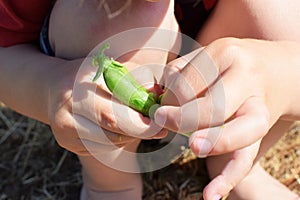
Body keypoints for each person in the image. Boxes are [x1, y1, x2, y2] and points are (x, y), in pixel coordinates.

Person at [154, 0, 300, 200]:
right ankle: (109, 182)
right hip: (124, 36)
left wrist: (280, 70)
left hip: (219, 36)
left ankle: (232, 154)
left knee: (280, 17)